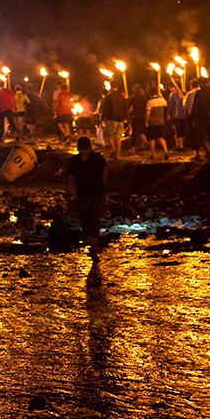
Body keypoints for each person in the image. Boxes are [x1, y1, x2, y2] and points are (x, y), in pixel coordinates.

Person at [66, 136, 108, 286]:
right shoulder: (74, 161)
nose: (83, 152)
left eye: (85, 149)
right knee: (84, 216)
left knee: (94, 216)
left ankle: (94, 242)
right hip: (82, 194)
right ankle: (90, 239)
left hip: (97, 193)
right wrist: (70, 193)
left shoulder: (97, 158)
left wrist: (104, 186)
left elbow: (104, 171)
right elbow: (71, 177)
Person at [99, 84, 128, 159]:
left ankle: (114, 150)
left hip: (112, 118)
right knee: (118, 137)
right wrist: (126, 117)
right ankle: (118, 155)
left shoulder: (109, 97)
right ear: (117, 87)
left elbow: (106, 108)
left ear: (111, 86)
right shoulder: (122, 96)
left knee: (110, 136)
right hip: (120, 119)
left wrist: (102, 118)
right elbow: (125, 108)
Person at [145, 86, 169, 159]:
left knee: (151, 138)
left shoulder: (150, 102)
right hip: (161, 121)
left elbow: (148, 113)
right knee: (160, 137)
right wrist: (161, 96)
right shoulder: (162, 101)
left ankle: (154, 154)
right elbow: (166, 104)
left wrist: (146, 121)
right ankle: (165, 150)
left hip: (152, 122)